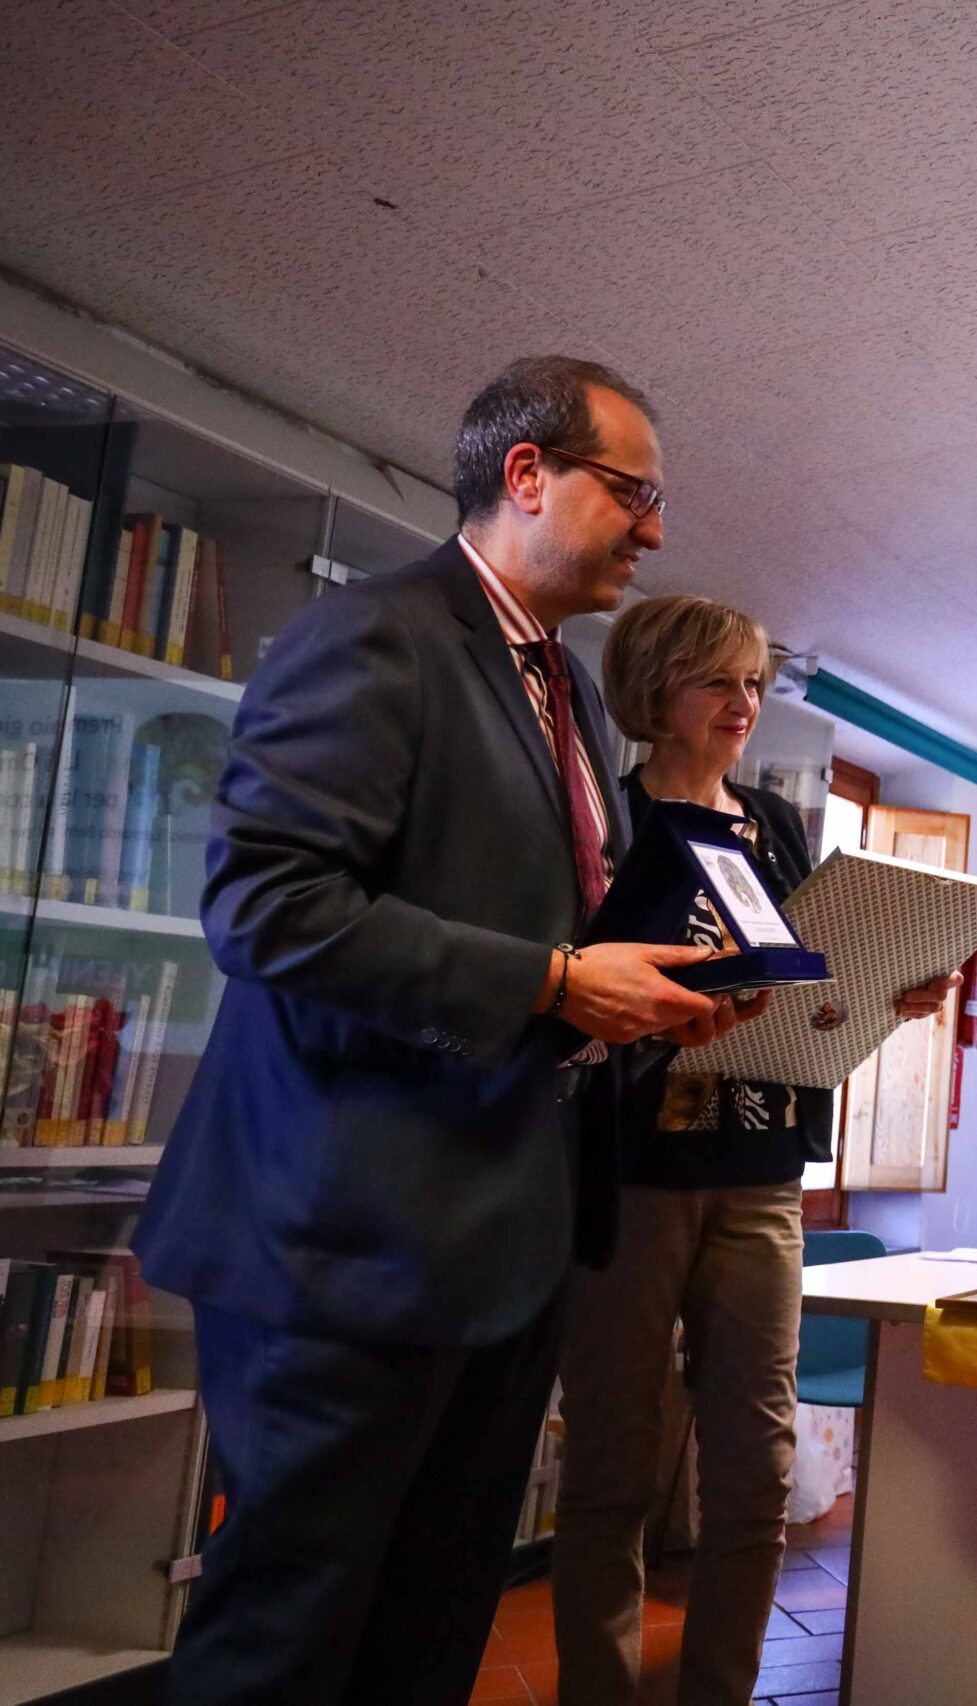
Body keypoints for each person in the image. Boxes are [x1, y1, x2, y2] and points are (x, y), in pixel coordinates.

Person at [133, 356, 751, 1706]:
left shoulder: (567, 686)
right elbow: (268, 907)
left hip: (504, 1244)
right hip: (341, 1246)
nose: (654, 530)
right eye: (633, 493)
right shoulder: (375, 634)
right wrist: (555, 980)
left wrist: (662, 998)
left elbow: (562, 943)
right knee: (286, 1643)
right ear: (526, 473)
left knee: (428, 1633)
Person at [553, 594, 956, 1706]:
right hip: (631, 1177)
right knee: (612, 1466)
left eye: (753, 683)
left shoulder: (775, 824)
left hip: (764, 1173)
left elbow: (807, 988)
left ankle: (721, 1691)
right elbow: (581, 992)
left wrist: (887, 992)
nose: (744, 704)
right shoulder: (610, 818)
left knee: (757, 1470)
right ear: (654, 691)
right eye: (717, 682)